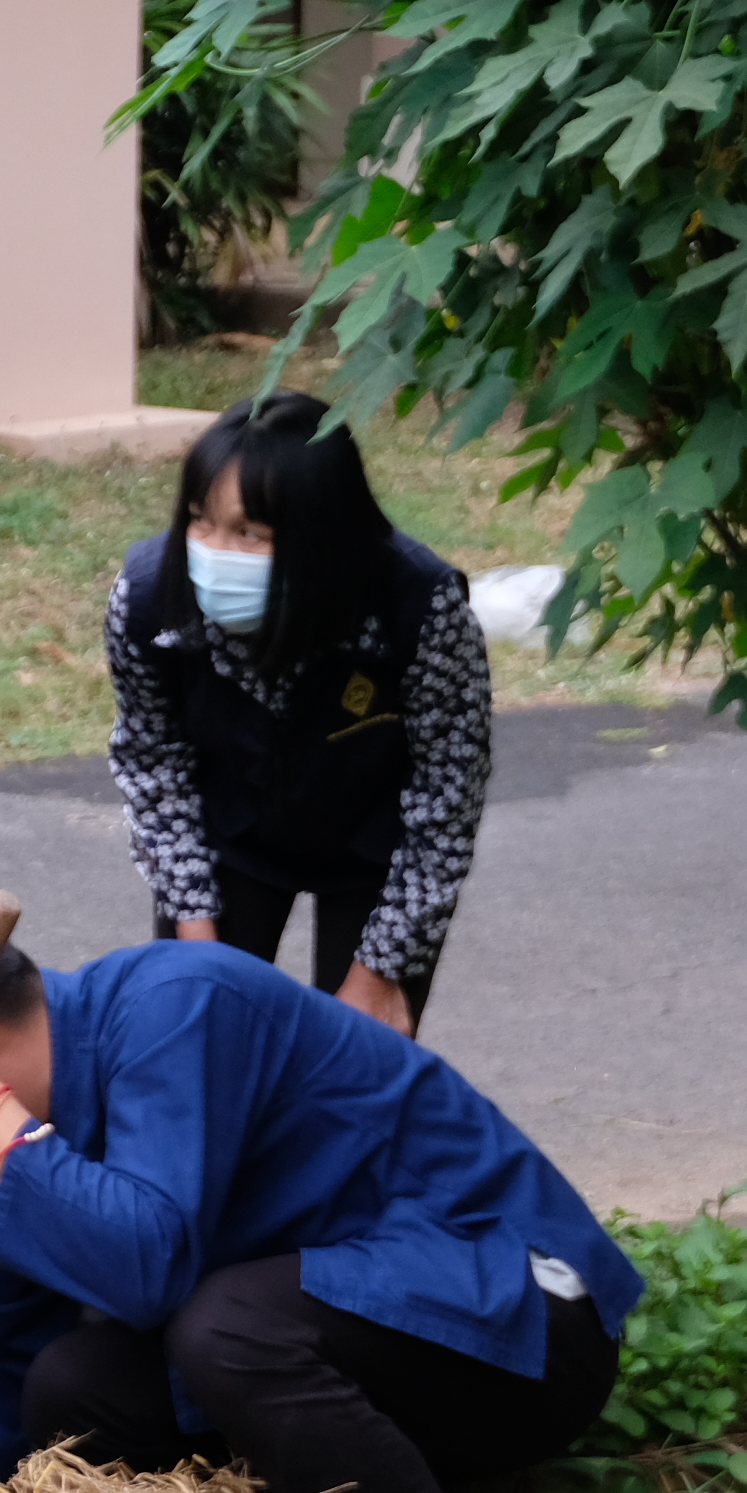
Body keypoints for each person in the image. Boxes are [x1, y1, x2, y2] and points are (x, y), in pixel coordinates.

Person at [0, 889, 638, 1493]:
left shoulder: (178, 1004)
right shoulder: (27, 1143)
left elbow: (144, 1268)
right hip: (367, 1354)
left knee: (224, 1327)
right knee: (70, 1385)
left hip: (517, 1327)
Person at [106, 391, 490, 1033]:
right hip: (228, 837)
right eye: (200, 520)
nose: (214, 551)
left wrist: (379, 972)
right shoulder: (149, 599)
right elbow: (154, 765)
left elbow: (448, 796)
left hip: (377, 852)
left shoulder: (418, 608)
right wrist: (195, 949)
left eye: (249, 532)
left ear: (320, 535)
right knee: (197, 1044)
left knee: (358, 1074)